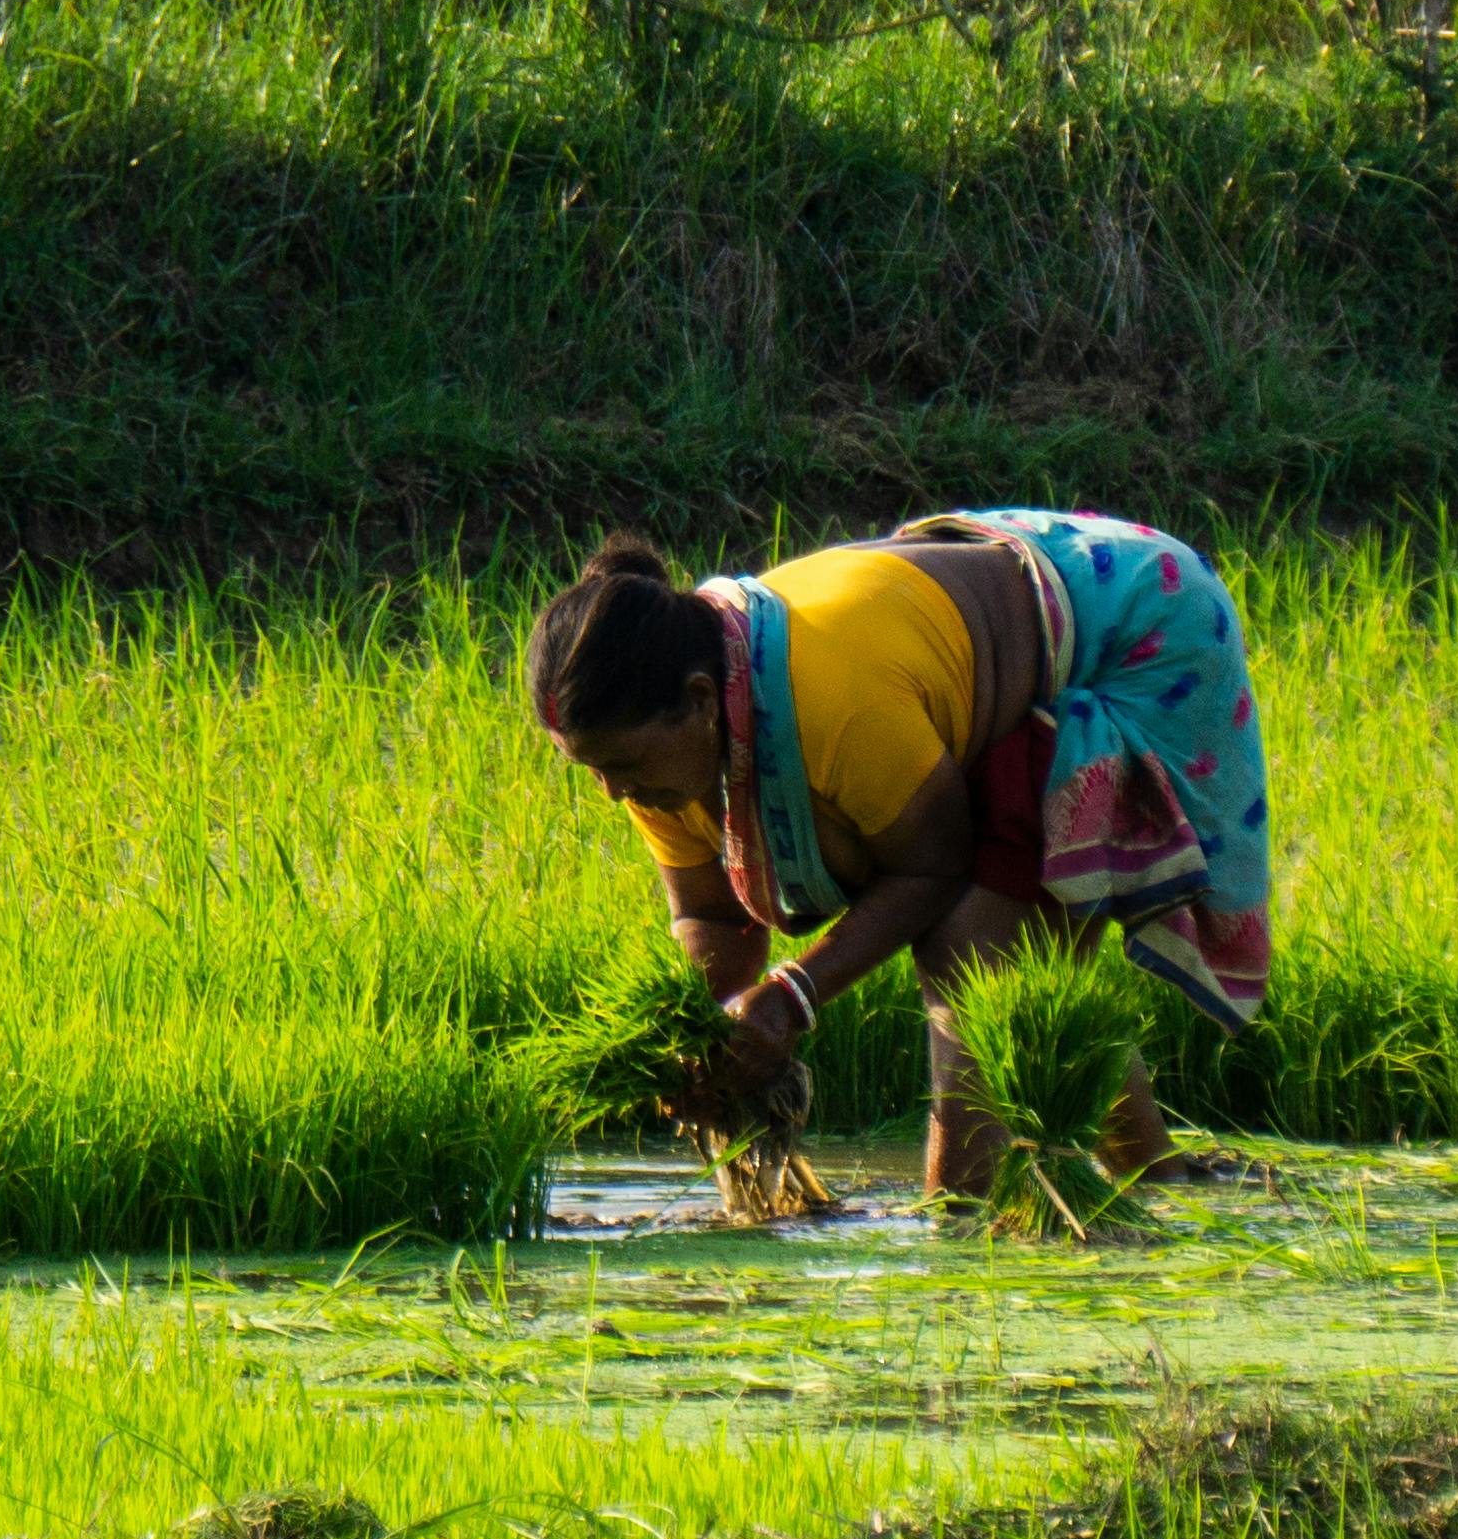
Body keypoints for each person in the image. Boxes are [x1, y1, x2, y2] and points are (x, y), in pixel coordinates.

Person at [525, 510, 1278, 1204]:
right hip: (966, 638)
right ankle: (1170, 1187)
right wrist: (701, 1039)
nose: (612, 793)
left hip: (1136, 626)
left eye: (620, 766)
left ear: (697, 700)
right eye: (591, 769)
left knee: (969, 955)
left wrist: (792, 998)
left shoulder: (835, 699)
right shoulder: (670, 760)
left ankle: (962, 1229)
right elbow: (709, 918)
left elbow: (932, 868)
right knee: (1030, 977)